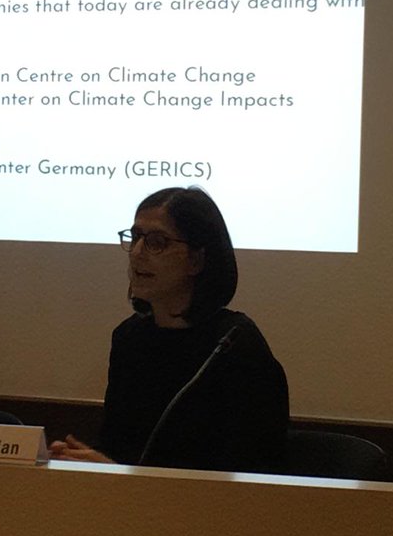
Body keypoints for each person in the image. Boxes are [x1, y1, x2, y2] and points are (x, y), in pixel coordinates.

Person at [50, 187, 289, 473]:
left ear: (196, 260)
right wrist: (83, 459)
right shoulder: (129, 338)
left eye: (156, 242)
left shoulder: (234, 346)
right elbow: (119, 446)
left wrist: (119, 473)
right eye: (135, 237)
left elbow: (247, 472)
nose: (137, 253)